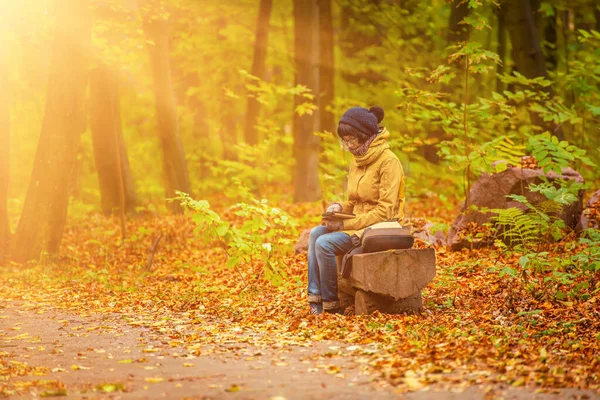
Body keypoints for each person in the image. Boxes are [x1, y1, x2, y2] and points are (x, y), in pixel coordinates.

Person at [307, 106, 405, 315]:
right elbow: (353, 201)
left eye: (350, 139)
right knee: (316, 233)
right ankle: (315, 301)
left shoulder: (389, 162)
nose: (348, 145)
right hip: (358, 223)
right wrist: (338, 208)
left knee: (324, 244)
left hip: (379, 228)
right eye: (345, 140)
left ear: (364, 135)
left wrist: (344, 225)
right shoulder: (358, 160)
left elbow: (385, 211)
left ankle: (331, 306)